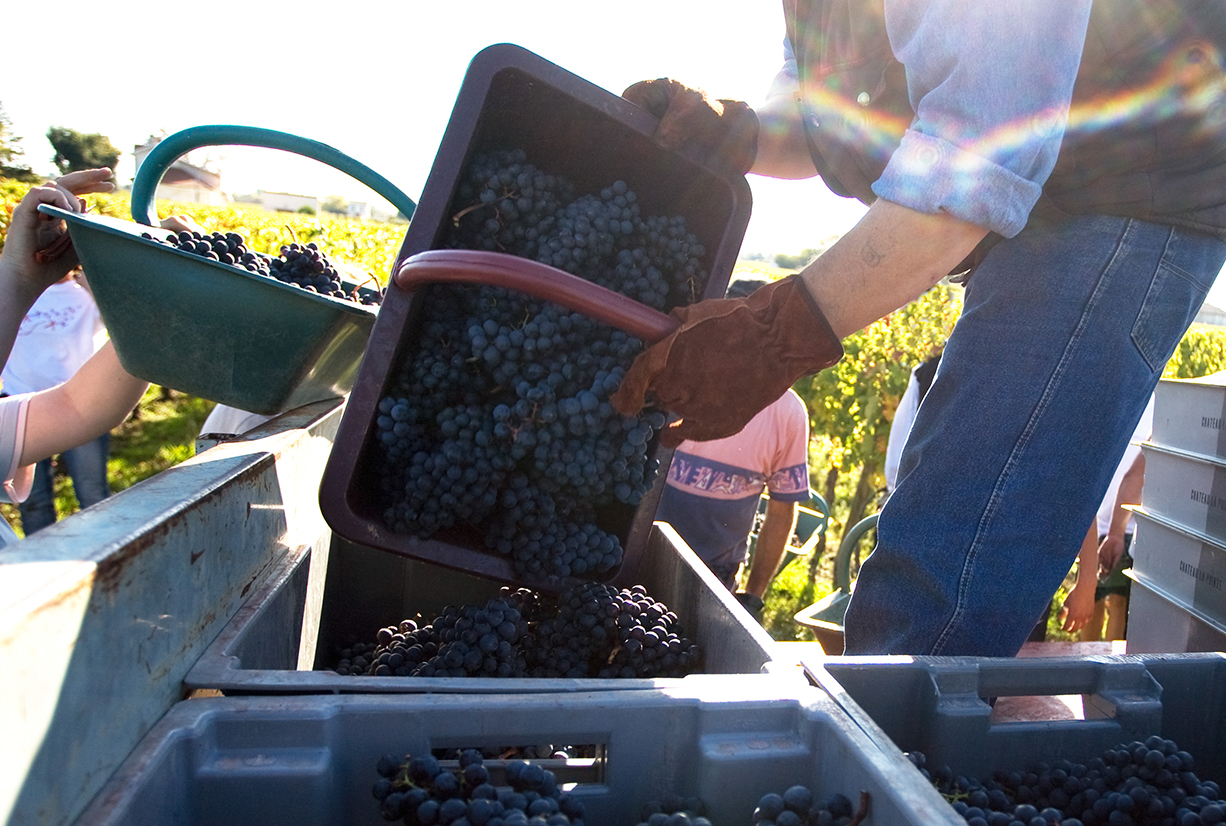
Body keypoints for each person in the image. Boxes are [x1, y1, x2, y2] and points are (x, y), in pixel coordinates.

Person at [610, 2, 1226, 656]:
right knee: (932, 562)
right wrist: (742, 131)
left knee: (935, 590)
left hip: (1125, 196)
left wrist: (770, 338)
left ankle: (901, 750)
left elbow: (981, 148)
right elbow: (823, 110)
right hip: (1035, 200)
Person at [0, 170, 152, 548]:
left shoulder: (81, 292)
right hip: (21, 392)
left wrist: (157, 297)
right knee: (38, 509)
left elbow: (79, 406)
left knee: (91, 493)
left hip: (32, 403)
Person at [654, 278, 812, 617]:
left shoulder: (788, 412)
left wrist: (753, 595)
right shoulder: (673, 378)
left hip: (715, 578)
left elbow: (782, 511)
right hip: (636, 554)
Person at [2, 268, 110, 533]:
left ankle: (106, 563)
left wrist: (93, 280)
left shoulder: (88, 292)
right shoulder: (17, 292)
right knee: (33, 502)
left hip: (82, 407)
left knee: (92, 493)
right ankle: (42, 567)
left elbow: (123, 323)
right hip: (22, 410)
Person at [1059, 394, 1154, 640]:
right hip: (1092, 519)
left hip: (1129, 524)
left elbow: (1135, 475)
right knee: (1091, 598)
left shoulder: (1159, 405)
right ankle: (1086, 660)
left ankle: (1110, 666)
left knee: (1119, 602)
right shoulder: (1102, 399)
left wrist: (1117, 530)